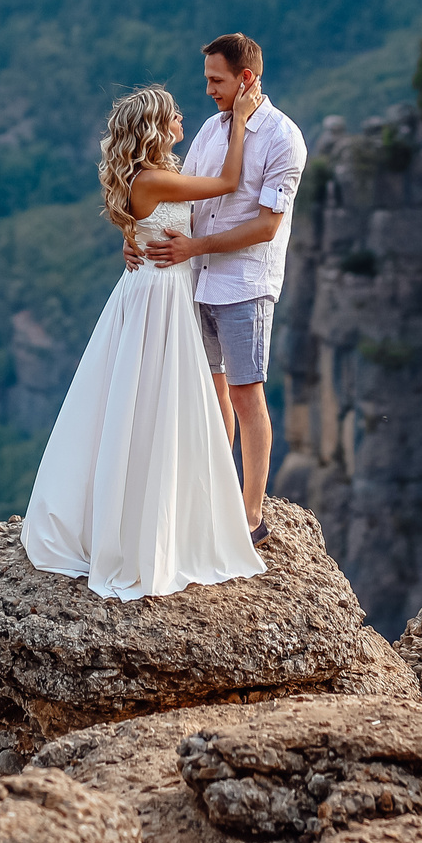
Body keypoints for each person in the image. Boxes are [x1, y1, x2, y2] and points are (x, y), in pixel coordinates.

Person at [19, 83, 269, 599]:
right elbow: (227, 181)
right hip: (162, 296)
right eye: (175, 114)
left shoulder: (147, 177)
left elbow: (142, 224)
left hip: (152, 288)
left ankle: (151, 502)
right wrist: (242, 120)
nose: (182, 119)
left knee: (143, 399)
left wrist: (130, 244)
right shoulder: (155, 178)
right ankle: (155, 517)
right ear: (157, 127)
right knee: (158, 399)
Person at [132, 34, 306, 541]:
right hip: (198, 282)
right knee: (213, 394)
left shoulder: (282, 138)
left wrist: (195, 248)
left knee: (247, 394)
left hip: (245, 285)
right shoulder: (212, 129)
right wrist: (138, 238)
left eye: (216, 80)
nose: (207, 89)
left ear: (246, 78)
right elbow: (182, 198)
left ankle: (251, 516)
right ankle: (213, 499)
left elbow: (267, 227)